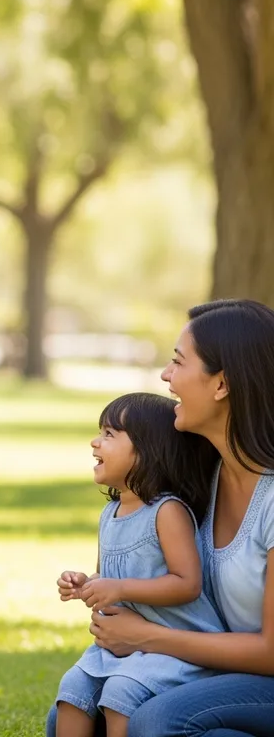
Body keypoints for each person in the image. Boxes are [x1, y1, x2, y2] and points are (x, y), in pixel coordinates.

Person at [84, 300, 274, 737]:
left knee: (158, 719)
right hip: (219, 673)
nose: (166, 377)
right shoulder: (201, 478)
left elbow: (269, 652)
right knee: (81, 714)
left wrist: (145, 636)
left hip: (266, 676)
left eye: (177, 362)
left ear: (222, 383)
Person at [51, 392, 224, 737]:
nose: (95, 441)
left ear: (148, 451)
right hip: (123, 647)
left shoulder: (167, 511)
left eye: (110, 434)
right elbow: (110, 576)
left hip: (174, 645)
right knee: (73, 689)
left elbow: (187, 582)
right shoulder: (109, 515)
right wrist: (86, 582)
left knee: (120, 693)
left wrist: (119, 587)